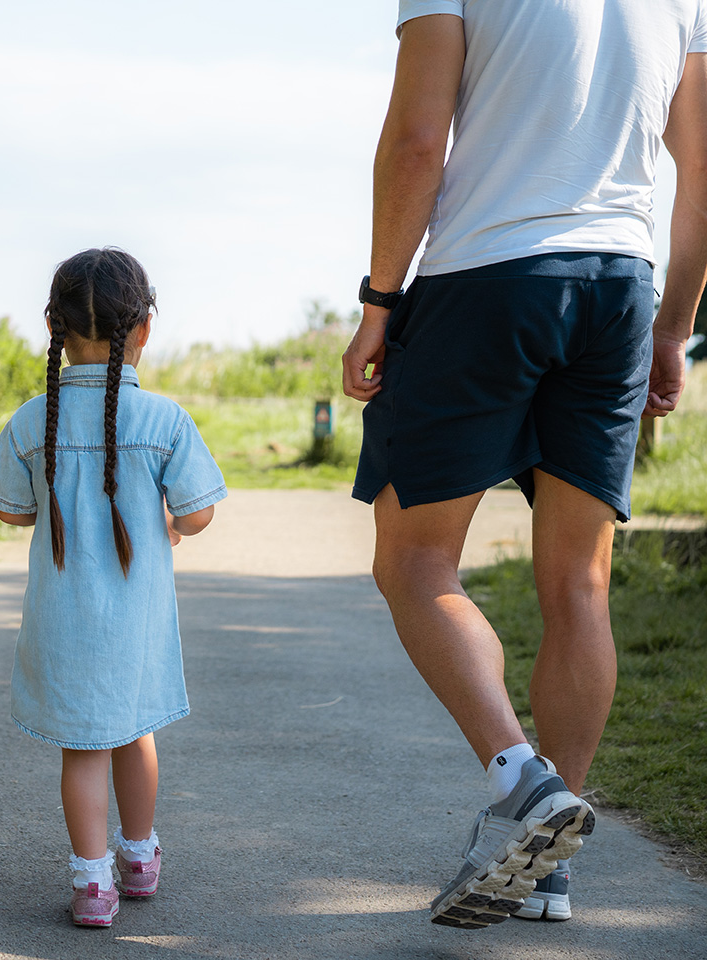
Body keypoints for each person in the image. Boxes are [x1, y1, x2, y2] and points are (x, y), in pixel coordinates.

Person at [342, 2, 707, 929]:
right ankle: (548, 866)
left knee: (414, 562)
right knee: (578, 588)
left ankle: (525, 787)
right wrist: (675, 324)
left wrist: (380, 299)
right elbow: (701, 165)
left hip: (488, 281)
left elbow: (420, 136)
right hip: (620, 286)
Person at [0, 248, 226, 927]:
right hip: (136, 625)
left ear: (54, 327)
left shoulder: (34, 420)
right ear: (144, 327)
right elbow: (200, 511)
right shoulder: (164, 421)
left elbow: (9, 508)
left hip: (64, 623)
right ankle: (139, 858)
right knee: (136, 733)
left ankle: (93, 884)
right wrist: (170, 524)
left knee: (82, 750)